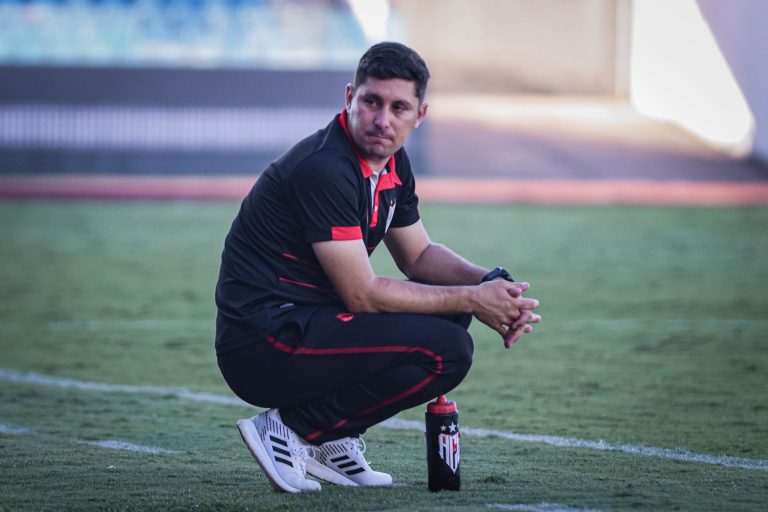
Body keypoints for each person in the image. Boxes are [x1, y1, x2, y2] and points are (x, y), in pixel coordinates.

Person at [215, 41, 541, 493]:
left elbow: (418, 256)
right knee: (448, 350)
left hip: (312, 324)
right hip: (264, 342)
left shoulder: (392, 160)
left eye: (398, 107)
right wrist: (472, 297)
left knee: (450, 316)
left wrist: (489, 284)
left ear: (419, 115)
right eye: (371, 101)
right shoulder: (325, 167)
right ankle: (290, 428)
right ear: (350, 97)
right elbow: (361, 294)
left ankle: (331, 441)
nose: (383, 119)